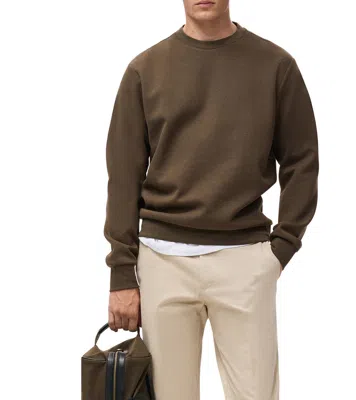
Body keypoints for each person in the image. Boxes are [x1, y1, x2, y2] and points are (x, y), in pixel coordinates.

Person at [104, 1, 319, 399]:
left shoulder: (275, 66)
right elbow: (123, 178)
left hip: (245, 261)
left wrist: (282, 248)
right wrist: (121, 273)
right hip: (163, 263)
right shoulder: (144, 70)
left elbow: (302, 161)